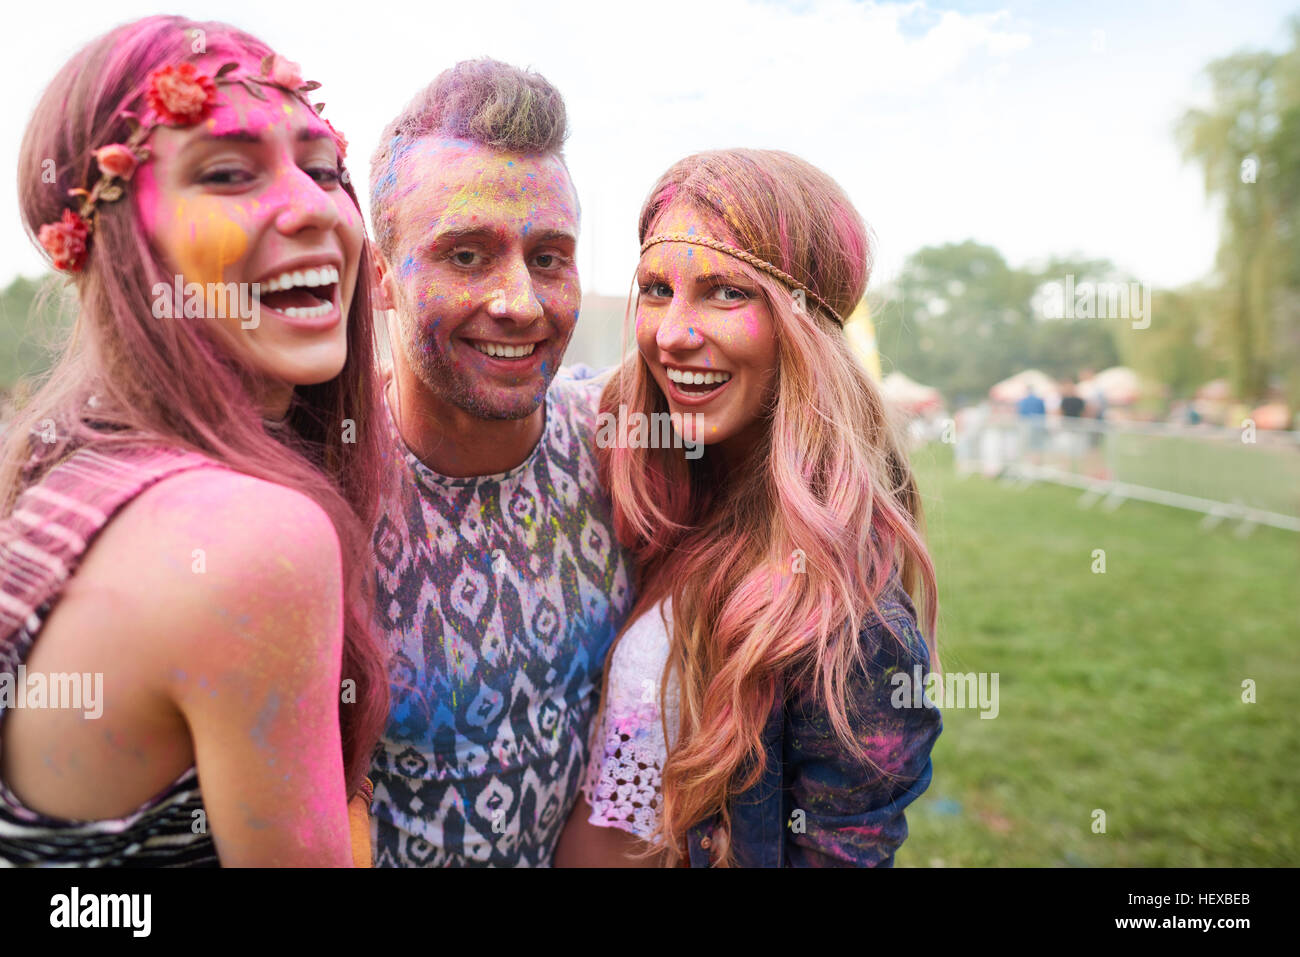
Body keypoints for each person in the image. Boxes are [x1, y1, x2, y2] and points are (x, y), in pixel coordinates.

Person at [0, 15, 388, 866]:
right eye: (225, 173)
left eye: (323, 169)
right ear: (108, 238)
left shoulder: (55, 465)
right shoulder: (250, 540)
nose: (312, 207)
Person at [553, 149, 943, 867]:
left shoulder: (852, 620)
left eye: (726, 292)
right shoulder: (655, 482)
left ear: (806, 327)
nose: (673, 332)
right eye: (657, 289)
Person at [365, 59, 635, 867]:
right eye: (467, 255)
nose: (520, 301)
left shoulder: (620, 445)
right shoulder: (317, 491)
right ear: (383, 279)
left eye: (549, 257)